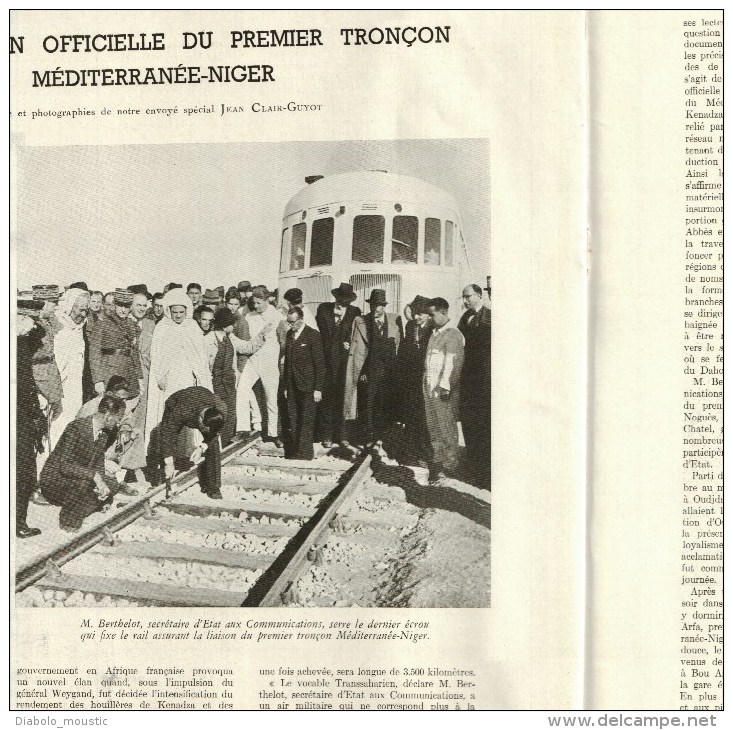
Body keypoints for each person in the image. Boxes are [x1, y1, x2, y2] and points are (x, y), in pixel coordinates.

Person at [39, 395, 127, 532]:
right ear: (108, 415)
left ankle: (85, 503)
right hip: (54, 480)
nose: (118, 422)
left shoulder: (104, 434)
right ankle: (69, 522)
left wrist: (101, 483)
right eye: (118, 418)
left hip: (78, 478)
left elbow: (98, 464)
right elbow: (65, 466)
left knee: (113, 485)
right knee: (85, 484)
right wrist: (95, 477)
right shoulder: (76, 428)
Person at [145, 287, 213, 463]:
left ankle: (190, 450)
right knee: (170, 415)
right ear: (168, 310)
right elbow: (157, 356)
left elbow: (200, 357)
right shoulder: (162, 328)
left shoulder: (192, 327)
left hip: (187, 378)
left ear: (187, 311)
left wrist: (199, 377)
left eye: (181, 312)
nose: (178, 315)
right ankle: (167, 453)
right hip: (169, 380)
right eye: (174, 312)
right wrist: (160, 376)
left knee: (190, 412)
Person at [344, 288, 402, 444]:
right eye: (372, 305)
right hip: (368, 371)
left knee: (384, 404)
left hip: (388, 372)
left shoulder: (395, 321)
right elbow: (357, 349)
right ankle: (368, 437)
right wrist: (362, 371)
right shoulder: (361, 321)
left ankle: (383, 437)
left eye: (378, 305)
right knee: (367, 405)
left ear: (383, 306)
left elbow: (398, 346)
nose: (375, 309)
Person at [210, 307, 269, 447]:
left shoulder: (230, 338)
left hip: (229, 383)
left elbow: (247, 347)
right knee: (217, 414)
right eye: (232, 323)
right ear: (225, 325)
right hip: (215, 383)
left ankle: (225, 444)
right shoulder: (208, 340)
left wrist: (261, 337)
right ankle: (214, 445)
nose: (235, 326)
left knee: (230, 414)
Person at [423, 297, 465, 484]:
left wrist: (445, 386)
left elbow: (452, 364)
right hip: (429, 386)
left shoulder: (453, 334)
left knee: (446, 427)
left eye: (433, 314)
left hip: (443, 389)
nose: (430, 318)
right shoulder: (434, 333)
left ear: (443, 312)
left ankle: (450, 465)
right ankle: (438, 460)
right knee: (434, 427)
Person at [158, 386, 226, 499]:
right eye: (203, 429)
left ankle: (214, 487)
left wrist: (201, 447)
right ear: (200, 420)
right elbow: (167, 435)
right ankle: (164, 479)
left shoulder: (221, 409)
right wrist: (169, 461)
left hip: (203, 399)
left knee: (213, 444)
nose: (204, 432)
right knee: (167, 442)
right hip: (176, 402)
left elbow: (215, 434)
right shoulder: (181, 411)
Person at [315, 282, 361, 447]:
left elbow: (357, 333)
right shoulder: (323, 309)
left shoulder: (355, 311)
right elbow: (318, 333)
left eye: (347, 301)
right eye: (342, 300)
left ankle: (342, 435)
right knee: (327, 398)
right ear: (336, 298)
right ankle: (326, 435)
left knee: (343, 398)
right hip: (326, 361)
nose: (344, 304)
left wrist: (349, 343)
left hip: (344, 362)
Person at [237, 285, 285, 442]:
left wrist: (277, 358)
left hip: (270, 361)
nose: (255, 306)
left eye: (259, 303)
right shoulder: (249, 316)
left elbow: (284, 342)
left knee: (271, 399)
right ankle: (243, 428)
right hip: (253, 359)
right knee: (242, 389)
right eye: (254, 303)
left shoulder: (278, 317)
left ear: (267, 300)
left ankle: (273, 434)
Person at [457, 283, 492, 487]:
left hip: (483, 379)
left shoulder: (488, 317)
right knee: (469, 424)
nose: (465, 300)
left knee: (483, 425)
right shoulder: (465, 317)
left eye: (468, 296)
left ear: (479, 295)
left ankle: (484, 473)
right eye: (463, 297)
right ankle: (472, 466)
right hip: (468, 379)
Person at [16, 305, 46, 538]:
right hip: (19, 417)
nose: (34, 325)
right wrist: (37, 414)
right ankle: (18, 524)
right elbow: (25, 387)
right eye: (31, 319)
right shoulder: (20, 346)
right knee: (24, 471)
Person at [49, 287, 90, 448]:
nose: (83, 314)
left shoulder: (79, 329)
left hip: (74, 391)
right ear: (69, 306)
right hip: (59, 392)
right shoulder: (60, 328)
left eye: (86, 311)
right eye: (80, 310)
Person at [282, 307, 325, 460]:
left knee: (306, 419)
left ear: (301, 319)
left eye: (293, 322)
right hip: (292, 385)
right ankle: (294, 451)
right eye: (289, 322)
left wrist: (318, 388)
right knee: (294, 418)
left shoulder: (313, 335)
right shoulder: (289, 335)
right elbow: (288, 362)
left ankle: (305, 453)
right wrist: (286, 386)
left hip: (308, 385)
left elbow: (320, 364)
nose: (290, 325)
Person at [396, 294, 433, 464]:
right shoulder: (411, 326)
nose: (416, 317)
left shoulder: (433, 328)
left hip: (426, 379)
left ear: (428, 314)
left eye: (420, 314)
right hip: (410, 379)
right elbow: (404, 351)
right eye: (415, 313)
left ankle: (425, 454)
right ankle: (409, 453)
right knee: (410, 416)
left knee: (424, 418)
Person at [88, 288, 142, 399]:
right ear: (114, 305)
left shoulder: (131, 325)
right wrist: (98, 380)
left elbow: (134, 353)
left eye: (126, 306)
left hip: (129, 373)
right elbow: (94, 353)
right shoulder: (102, 323)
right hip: (110, 373)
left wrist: (139, 377)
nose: (123, 310)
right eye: (120, 306)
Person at [28, 285, 63, 443]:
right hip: (40, 380)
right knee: (40, 423)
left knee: (52, 418)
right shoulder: (33, 326)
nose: (56, 306)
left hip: (49, 378)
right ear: (44, 303)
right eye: (53, 302)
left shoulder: (47, 321)